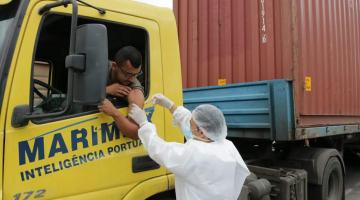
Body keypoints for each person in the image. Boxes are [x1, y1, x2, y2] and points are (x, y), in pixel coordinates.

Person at [129, 93, 250, 200]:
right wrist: (170, 106)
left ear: (201, 132)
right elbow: (190, 124)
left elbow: (159, 149)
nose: (189, 126)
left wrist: (144, 123)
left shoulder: (193, 153)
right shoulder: (227, 146)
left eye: (191, 124)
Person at [98, 46, 145, 139]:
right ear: (115, 66)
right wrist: (106, 90)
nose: (132, 79)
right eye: (128, 74)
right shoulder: (98, 69)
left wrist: (115, 113)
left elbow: (136, 133)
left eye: (136, 74)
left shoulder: (135, 89)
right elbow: (78, 93)